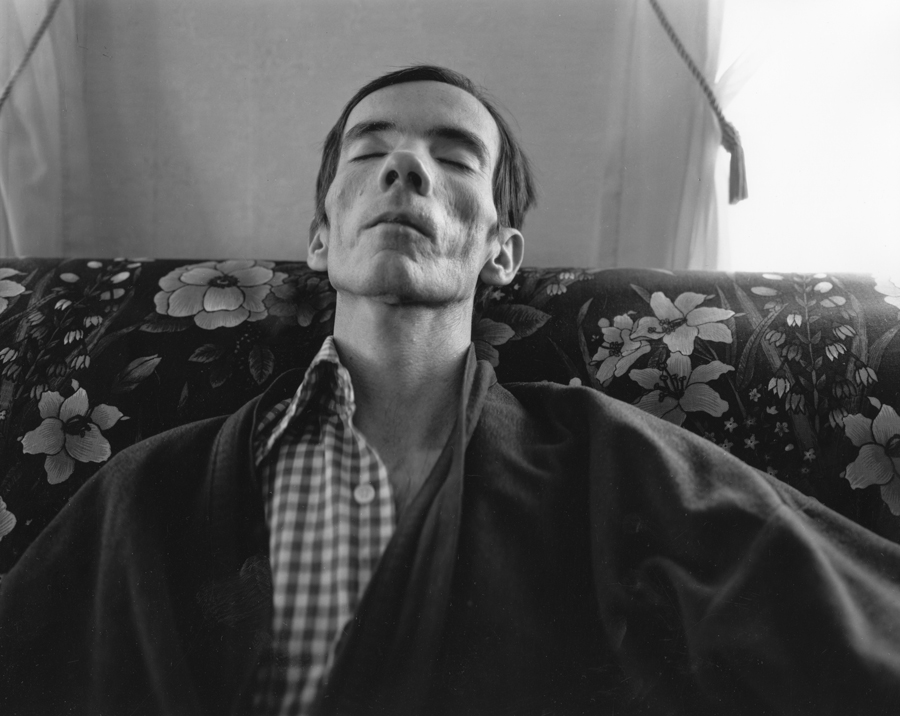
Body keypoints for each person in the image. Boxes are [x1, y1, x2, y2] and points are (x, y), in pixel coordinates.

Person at [2, 65, 900, 716]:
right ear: (320, 239)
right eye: (372, 150)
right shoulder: (149, 491)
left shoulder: (609, 458)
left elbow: (856, 625)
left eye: (455, 155)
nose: (407, 168)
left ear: (501, 253)